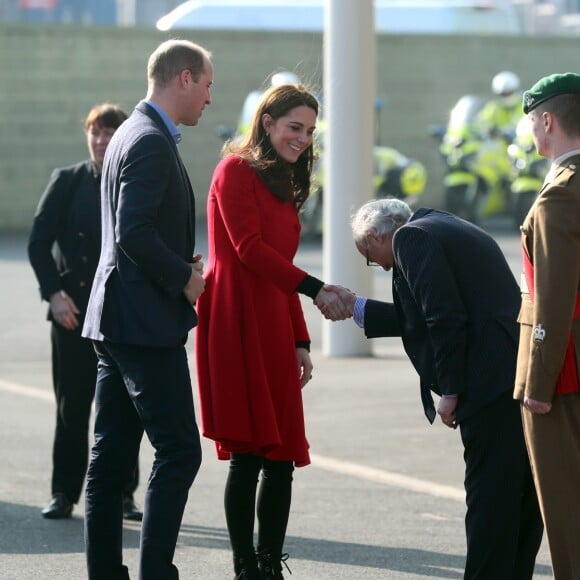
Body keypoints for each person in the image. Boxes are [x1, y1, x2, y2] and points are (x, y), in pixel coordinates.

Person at [323, 198, 543, 579]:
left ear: (376, 235)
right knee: (520, 491)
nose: (378, 265)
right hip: (513, 370)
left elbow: (443, 316)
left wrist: (452, 390)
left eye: (370, 255)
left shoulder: (410, 239)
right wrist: (359, 308)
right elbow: (426, 313)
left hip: (486, 380)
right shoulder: (441, 224)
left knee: (489, 495)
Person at [195, 83, 350, 580]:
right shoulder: (234, 170)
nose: (302, 138)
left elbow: (279, 266)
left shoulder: (286, 180)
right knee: (247, 457)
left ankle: (269, 564)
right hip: (235, 321)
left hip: (273, 320)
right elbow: (248, 250)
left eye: (309, 130)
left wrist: (300, 339)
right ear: (267, 123)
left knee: (281, 454)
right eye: (293, 127)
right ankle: (246, 567)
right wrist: (317, 288)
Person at [81, 39, 212, 580]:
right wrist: (185, 277)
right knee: (180, 450)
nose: (209, 97)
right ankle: (156, 571)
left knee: (110, 457)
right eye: (206, 84)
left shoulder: (132, 132)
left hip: (116, 318)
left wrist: (178, 258)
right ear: (183, 79)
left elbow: (135, 229)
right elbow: (134, 232)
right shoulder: (151, 140)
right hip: (142, 323)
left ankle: (105, 571)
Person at [28, 103, 142, 522]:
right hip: (71, 313)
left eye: (109, 133)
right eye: (94, 133)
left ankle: (124, 494)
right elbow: (38, 243)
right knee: (72, 407)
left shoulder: (133, 178)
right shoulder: (67, 181)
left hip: (119, 315)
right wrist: (54, 294)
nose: (100, 140)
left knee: (125, 409)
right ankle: (63, 492)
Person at [515, 72, 580, 579]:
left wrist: (537, 384)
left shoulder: (560, 195)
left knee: (566, 508)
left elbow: (553, 300)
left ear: (547, 119)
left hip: (564, 373)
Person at [474, 70, 522, 139]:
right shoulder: (493, 107)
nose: (507, 97)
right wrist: (488, 129)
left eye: (509, 93)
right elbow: (481, 122)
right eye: (503, 94)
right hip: (500, 145)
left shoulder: (524, 105)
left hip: (520, 144)